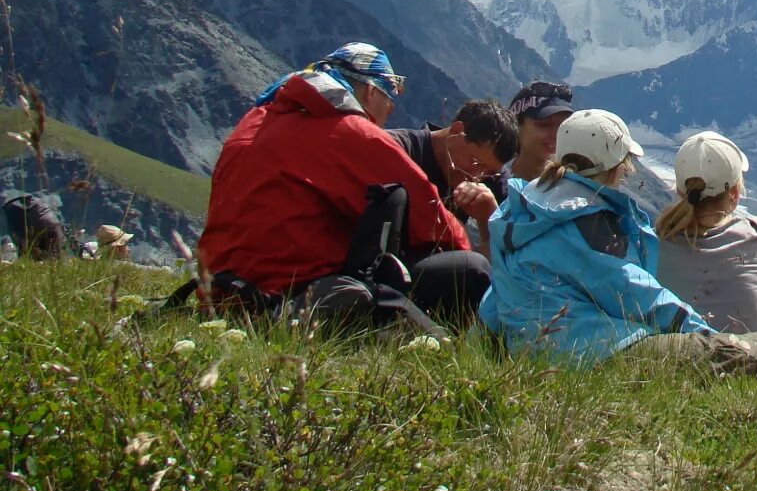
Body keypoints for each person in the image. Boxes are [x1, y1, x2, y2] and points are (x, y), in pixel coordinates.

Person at [198, 42, 489, 328]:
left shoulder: (255, 119)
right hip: (285, 297)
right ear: (371, 91)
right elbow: (435, 224)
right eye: (389, 99)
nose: (389, 112)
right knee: (468, 269)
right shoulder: (352, 133)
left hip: (219, 290)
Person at [480, 108, 710, 360]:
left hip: (541, 347)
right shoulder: (588, 223)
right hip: (594, 350)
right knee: (743, 355)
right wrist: (705, 335)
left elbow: (498, 295)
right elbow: (636, 294)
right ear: (616, 169)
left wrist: (477, 346)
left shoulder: (523, 209)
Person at [655, 131, 757, 333]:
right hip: (747, 356)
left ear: (680, 191)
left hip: (678, 356)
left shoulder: (655, 243)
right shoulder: (756, 234)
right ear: (734, 194)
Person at [388, 100, 518, 255]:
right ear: (457, 131)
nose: (477, 177)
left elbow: (514, 261)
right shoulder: (397, 151)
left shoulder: (492, 175)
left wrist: (489, 219)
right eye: (475, 162)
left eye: (488, 172)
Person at [505, 79, 575, 182]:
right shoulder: (491, 176)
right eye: (544, 124)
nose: (556, 134)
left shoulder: (576, 188)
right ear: (516, 125)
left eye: (563, 125)